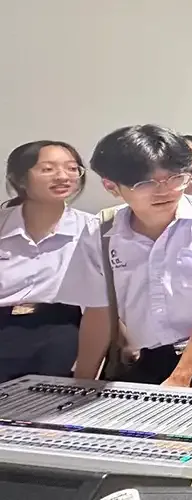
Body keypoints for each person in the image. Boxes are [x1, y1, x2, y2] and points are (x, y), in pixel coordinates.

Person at [65, 125, 192, 388]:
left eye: (175, 178)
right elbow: (98, 312)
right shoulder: (100, 231)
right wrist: (81, 385)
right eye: (146, 183)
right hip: (150, 357)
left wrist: (183, 373)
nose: (164, 191)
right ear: (111, 186)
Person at [0, 140, 93, 383]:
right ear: (20, 178)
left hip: (61, 327)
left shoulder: (92, 228)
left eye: (72, 168)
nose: (63, 176)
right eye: (48, 169)